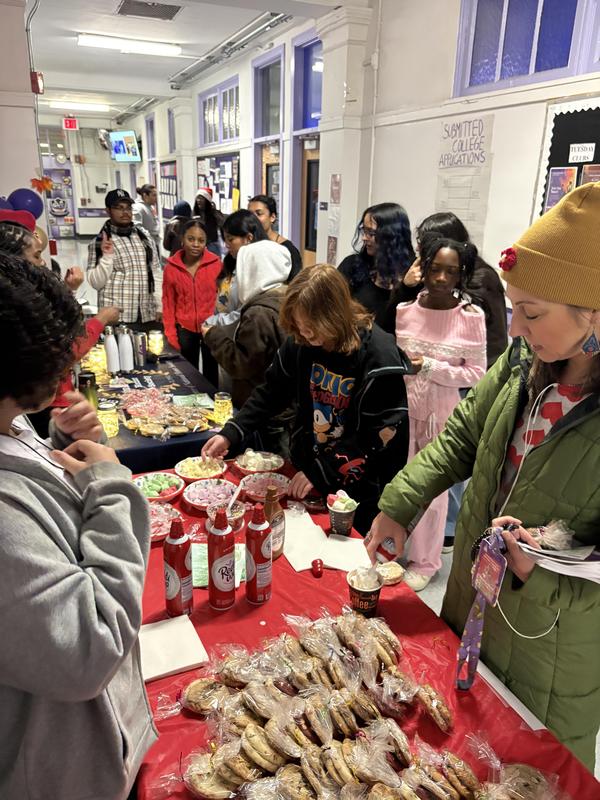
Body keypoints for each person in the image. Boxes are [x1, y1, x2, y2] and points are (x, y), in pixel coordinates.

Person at [366, 183, 600, 769]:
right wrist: (402, 501)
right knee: (452, 753)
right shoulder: (526, 363)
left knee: (523, 772)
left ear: (594, 311)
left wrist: (540, 574)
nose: (514, 327)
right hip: (475, 600)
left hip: (552, 646)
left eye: (532, 311)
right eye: (514, 307)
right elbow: (463, 437)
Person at [0, 253, 156, 799]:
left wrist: (58, 450)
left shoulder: (13, 421)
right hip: (57, 775)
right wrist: (111, 484)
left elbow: (35, 495)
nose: (68, 373)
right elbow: (87, 648)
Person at [203, 264, 410, 533]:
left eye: (313, 327)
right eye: (300, 327)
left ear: (334, 316)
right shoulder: (301, 343)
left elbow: (379, 436)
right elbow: (272, 391)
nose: (307, 335)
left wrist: (322, 471)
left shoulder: (379, 356)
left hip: (360, 487)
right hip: (307, 467)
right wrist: (232, 432)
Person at [393, 237, 486, 591]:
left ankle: (426, 561)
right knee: (399, 482)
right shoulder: (405, 311)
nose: (442, 278)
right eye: (436, 269)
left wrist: (430, 367)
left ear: (461, 274)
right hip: (403, 412)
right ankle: (395, 545)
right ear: (424, 267)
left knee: (432, 492)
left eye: (451, 271)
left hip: (443, 415)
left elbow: (477, 374)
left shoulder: (470, 317)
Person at [0, 214, 120, 436]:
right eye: (37, 255)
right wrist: (101, 319)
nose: (43, 263)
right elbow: (64, 348)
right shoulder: (19, 319)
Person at [382, 211, 508, 368]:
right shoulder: (426, 271)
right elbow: (389, 325)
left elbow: (492, 345)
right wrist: (405, 287)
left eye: (423, 243)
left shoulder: (481, 278)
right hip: (428, 365)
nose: (418, 248)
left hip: (469, 374)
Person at [201, 238, 291, 409]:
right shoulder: (285, 296)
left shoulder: (258, 313)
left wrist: (213, 335)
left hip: (259, 406)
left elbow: (241, 365)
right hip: (281, 402)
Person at [87, 188, 162, 331]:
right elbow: (96, 283)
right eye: (119, 208)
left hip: (148, 313)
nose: (125, 212)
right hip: (119, 317)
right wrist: (107, 257)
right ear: (108, 211)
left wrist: (160, 305)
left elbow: (156, 271)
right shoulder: (100, 242)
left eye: (128, 208)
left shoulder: (144, 237)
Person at [163, 218, 221, 383]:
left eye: (201, 240)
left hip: (210, 327)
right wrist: (170, 334)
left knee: (211, 374)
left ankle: (212, 405)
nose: (196, 244)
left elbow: (223, 298)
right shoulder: (171, 268)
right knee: (188, 374)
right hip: (185, 329)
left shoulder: (216, 264)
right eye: (191, 239)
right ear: (182, 239)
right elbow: (168, 303)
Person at [338, 202, 415, 327]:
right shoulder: (352, 265)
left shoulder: (411, 275)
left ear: (391, 236)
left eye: (371, 233)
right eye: (364, 231)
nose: (364, 238)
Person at [203, 209, 270, 330]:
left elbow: (244, 313)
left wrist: (213, 322)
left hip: (237, 337)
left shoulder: (260, 270)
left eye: (230, 239)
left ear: (249, 238)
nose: (226, 245)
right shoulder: (232, 261)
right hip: (219, 333)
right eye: (225, 240)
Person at [248, 194, 302, 280]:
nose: (253, 219)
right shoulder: (247, 246)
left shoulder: (287, 249)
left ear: (272, 217)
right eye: (250, 215)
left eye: (259, 213)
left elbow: (296, 284)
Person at [193, 187, 225, 256]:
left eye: (201, 198)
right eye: (197, 198)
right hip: (197, 246)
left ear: (207, 200)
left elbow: (223, 225)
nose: (198, 200)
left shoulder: (214, 214)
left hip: (211, 245)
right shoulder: (194, 214)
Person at [132, 183, 161, 255]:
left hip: (154, 242)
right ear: (145, 195)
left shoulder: (151, 207)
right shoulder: (137, 208)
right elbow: (137, 227)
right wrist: (149, 237)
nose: (156, 198)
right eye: (154, 195)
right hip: (146, 245)